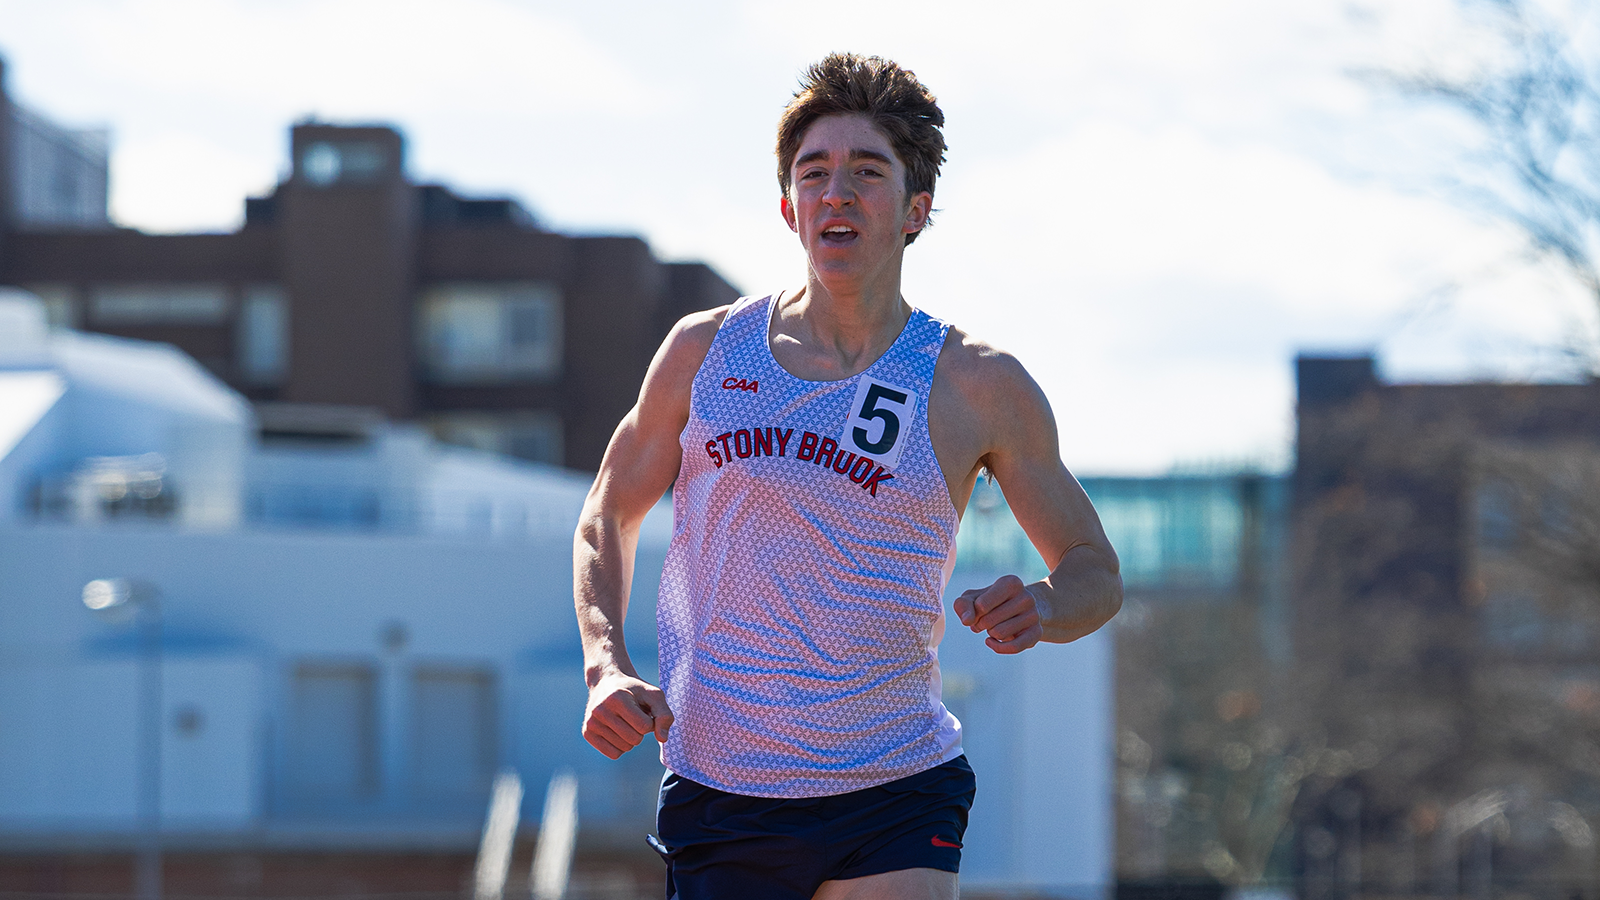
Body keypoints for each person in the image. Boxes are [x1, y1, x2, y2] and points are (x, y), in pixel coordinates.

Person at [573, 52, 1123, 900]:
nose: (837, 193)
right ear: (788, 207)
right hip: (722, 790)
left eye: (867, 172)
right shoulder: (703, 352)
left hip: (896, 787)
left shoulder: (977, 384)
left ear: (916, 208)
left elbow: (1096, 571)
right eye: (814, 173)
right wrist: (605, 665)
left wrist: (1045, 606)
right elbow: (607, 512)